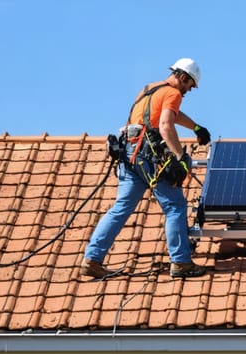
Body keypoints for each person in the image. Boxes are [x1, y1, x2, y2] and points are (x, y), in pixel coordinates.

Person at [82, 58, 213, 279]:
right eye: (189, 85)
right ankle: (181, 262)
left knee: (120, 208)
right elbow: (165, 124)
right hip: (149, 159)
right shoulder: (173, 94)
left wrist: (196, 127)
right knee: (175, 205)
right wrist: (180, 156)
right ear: (182, 77)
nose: (189, 90)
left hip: (129, 156)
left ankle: (92, 258)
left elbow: (168, 113)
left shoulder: (148, 89)